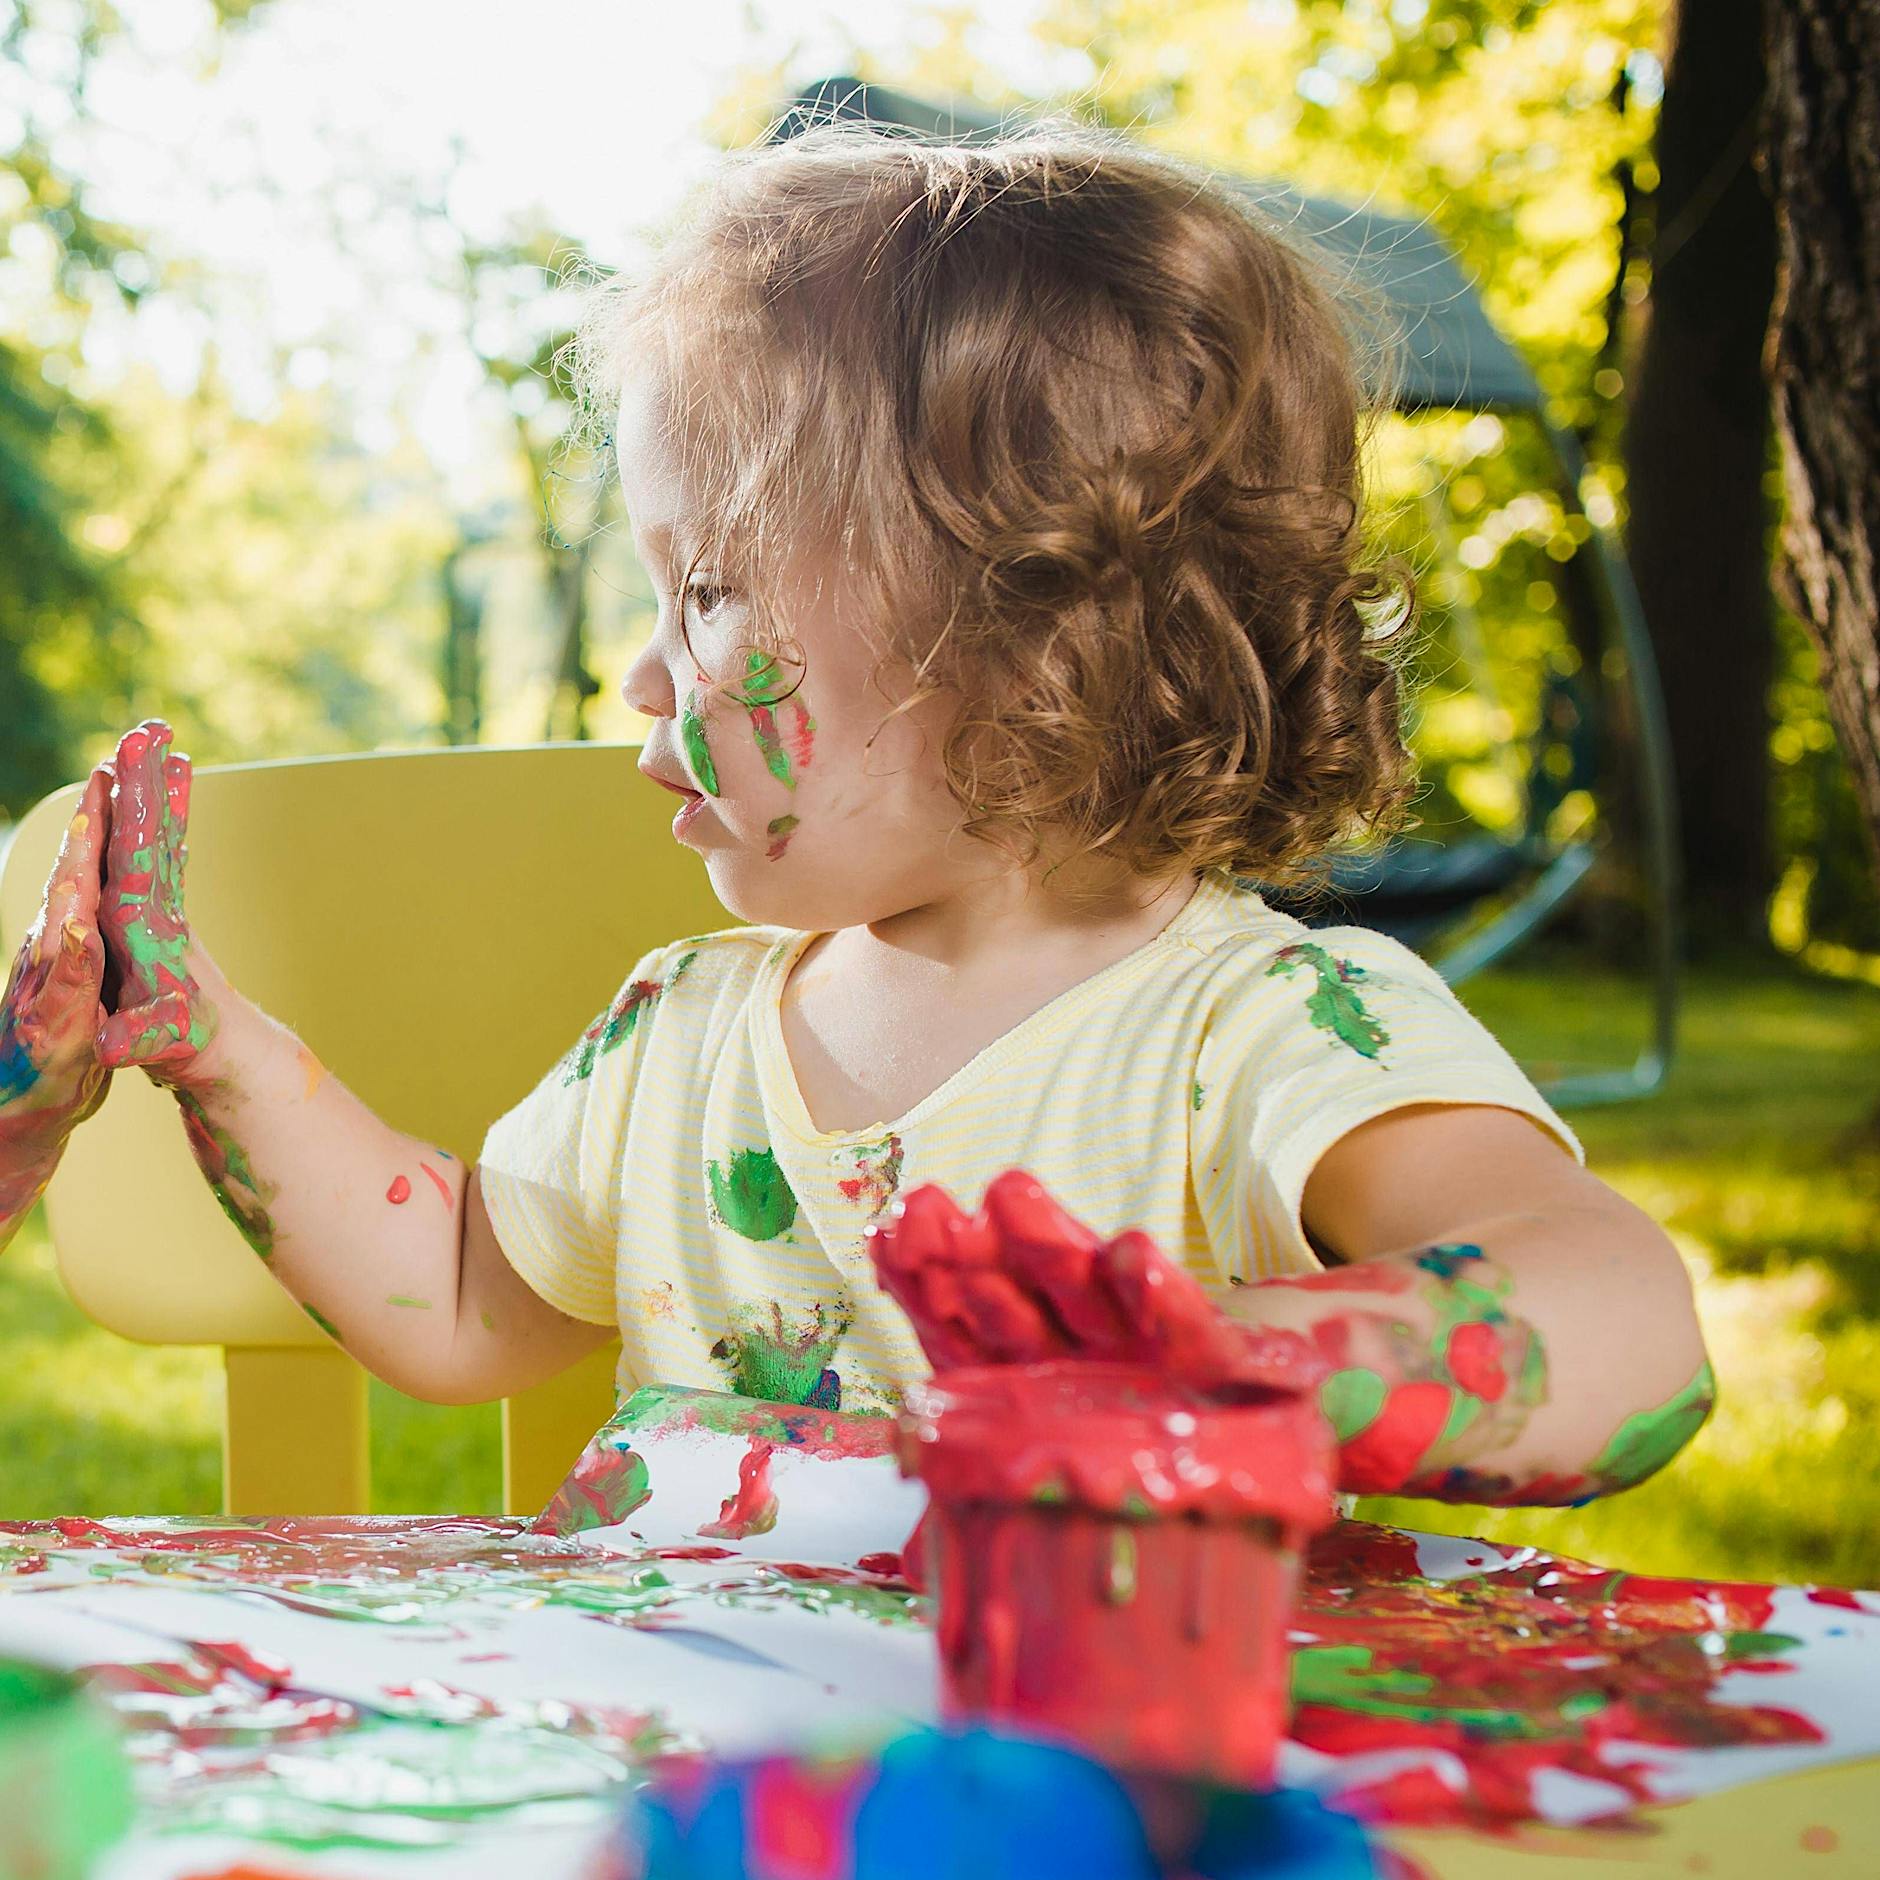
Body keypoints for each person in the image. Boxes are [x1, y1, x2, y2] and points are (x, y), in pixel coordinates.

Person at [11, 124, 1712, 1505]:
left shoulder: (1259, 1036)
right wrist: (213, 1046)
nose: (644, 678)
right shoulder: (680, 1035)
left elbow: (1625, 1320)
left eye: (708, 594)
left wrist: (1245, 1359)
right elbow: (460, 1292)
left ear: (1023, 625)